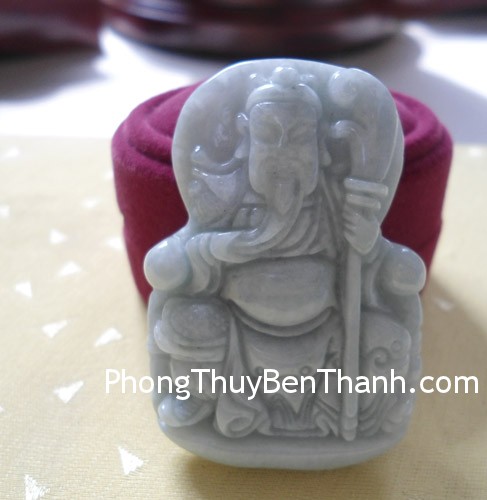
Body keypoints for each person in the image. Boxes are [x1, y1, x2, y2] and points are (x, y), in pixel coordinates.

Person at [144, 65, 425, 440]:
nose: (283, 152)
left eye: (298, 138)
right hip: (236, 330)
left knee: (390, 339)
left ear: (320, 147)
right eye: (268, 135)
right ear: (246, 139)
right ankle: (199, 397)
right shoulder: (225, 199)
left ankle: (372, 415)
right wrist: (233, 245)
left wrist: (369, 244)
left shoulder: (335, 203)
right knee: (186, 319)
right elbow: (178, 257)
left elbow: (391, 270)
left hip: (329, 331)